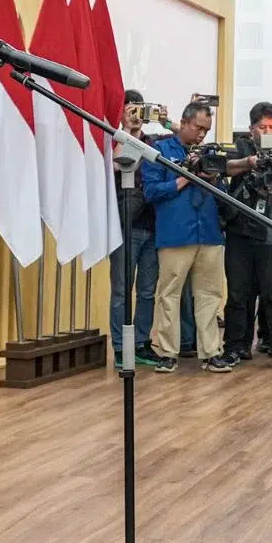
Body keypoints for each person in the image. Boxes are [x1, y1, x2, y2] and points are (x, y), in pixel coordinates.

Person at [142, 101, 232, 373]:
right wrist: (186, 177)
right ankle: (167, 353)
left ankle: (211, 352)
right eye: (198, 128)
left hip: (209, 233)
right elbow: (152, 192)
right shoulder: (160, 150)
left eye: (206, 130)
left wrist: (213, 178)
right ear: (183, 122)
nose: (202, 134)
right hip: (175, 234)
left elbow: (224, 195)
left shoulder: (210, 153)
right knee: (169, 294)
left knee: (210, 294)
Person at [222, 101, 272, 371]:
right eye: (262, 127)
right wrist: (250, 163)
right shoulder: (242, 149)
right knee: (238, 295)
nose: (268, 131)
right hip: (240, 232)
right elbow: (222, 168)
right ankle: (235, 347)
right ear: (251, 130)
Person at [108, 91, 164, 368]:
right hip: (125, 226)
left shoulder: (154, 143)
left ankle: (141, 343)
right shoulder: (115, 140)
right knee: (121, 291)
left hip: (152, 226)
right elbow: (120, 164)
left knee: (147, 291)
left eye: (139, 111)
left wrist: (166, 121)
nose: (136, 116)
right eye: (130, 110)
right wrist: (128, 131)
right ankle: (121, 347)